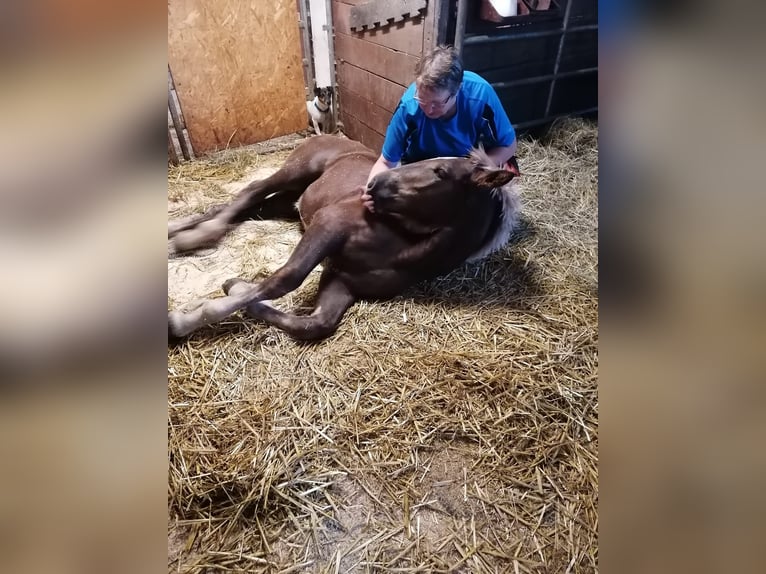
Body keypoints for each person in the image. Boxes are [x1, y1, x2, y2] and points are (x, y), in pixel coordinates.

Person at [361, 45, 517, 211]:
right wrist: (371, 191)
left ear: (457, 91)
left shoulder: (480, 96)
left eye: (437, 103)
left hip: (462, 166)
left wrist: (475, 172)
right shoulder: (410, 107)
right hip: (421, 168)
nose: (428, 109)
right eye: (422, 100)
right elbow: (386, 161)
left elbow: (509, 144)